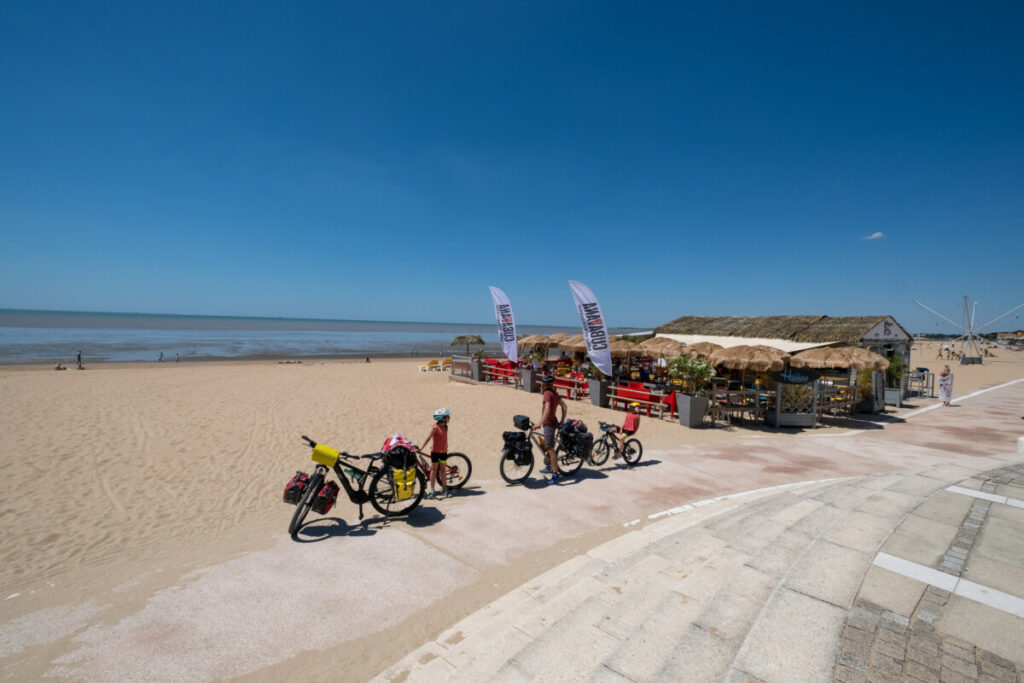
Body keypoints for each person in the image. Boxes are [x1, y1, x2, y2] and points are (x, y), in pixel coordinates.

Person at [533, 375, 566, 484]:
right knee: (548, 445)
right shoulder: (555, 394)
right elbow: (564, 406)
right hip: (554, 422)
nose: (541, 384)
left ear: (546, 385)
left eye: (542, 383)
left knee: (550, 448)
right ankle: (548, 466)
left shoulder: (547, 394)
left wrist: (539, 423)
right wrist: (561, 421)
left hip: (549, 424)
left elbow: (547, 410)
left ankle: (555, 474)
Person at [420, 408, 452, 498]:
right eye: (447, 417)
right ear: (442, 418)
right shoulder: (435, 428)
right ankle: (432, 490)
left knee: (442, 470)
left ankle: (444, 489)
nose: (449, 418)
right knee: (433, 470)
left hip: (444, 452)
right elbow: (428, 438)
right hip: (435, 452)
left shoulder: (445, 426)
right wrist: (421, 448)